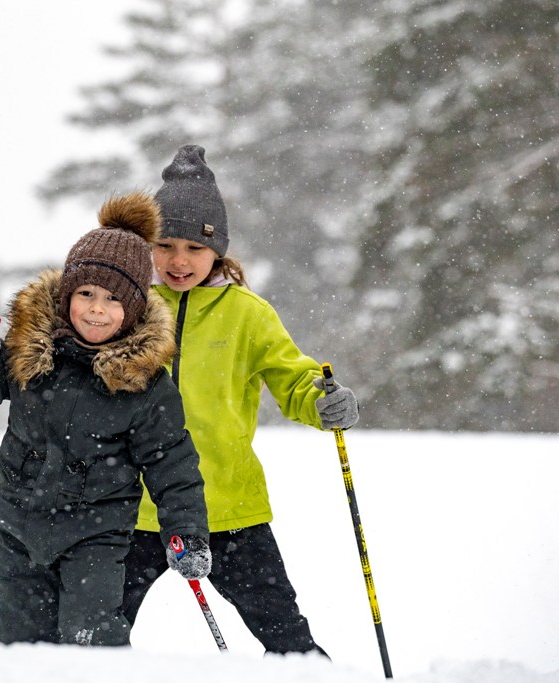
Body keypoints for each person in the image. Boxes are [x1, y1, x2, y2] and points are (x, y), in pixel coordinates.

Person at [0, 191, 211, 647]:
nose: (96, 309)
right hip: (18, 527)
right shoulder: (31, 352)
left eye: (112, 299)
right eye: (85, 293)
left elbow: (172, 464)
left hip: (96, 536)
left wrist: (187, 532)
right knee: (12, 641)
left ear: (135, 309)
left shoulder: (145, 383)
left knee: (90, 641)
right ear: (68, 294)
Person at [122, 144, 360, 656]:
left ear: (218, 251)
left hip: (225, 505)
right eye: (165, 245)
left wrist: (321, 403)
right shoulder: (128, 308)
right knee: (88, 638)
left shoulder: (248, 314)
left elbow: (291, 378)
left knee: (288, 639)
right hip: (131, 506)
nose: (179, 260)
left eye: (194, 247)